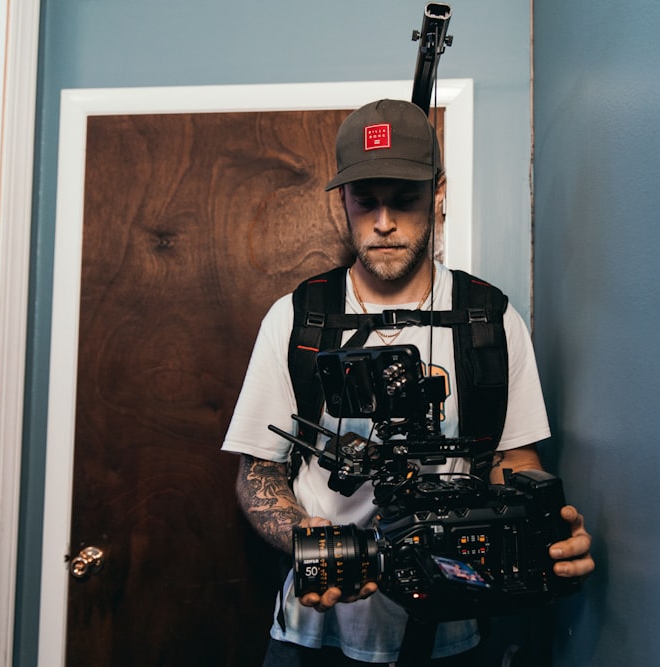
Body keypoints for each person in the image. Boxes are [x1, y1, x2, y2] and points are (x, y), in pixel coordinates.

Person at [222, 99, 594, 666]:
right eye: (365, 201)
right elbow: (260, 471)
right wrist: (311, 540)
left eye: (405, 200)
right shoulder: (298, 318)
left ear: (438, 193)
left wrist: (541, 531)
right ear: (341, 203)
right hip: (314, 634)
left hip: (452, 632)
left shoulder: (487, 319)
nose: (384, 222)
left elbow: (512, 459)